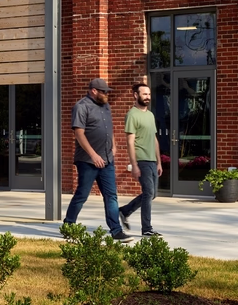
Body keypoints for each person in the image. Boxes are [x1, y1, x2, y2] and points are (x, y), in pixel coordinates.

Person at [62, 78, 132, 241]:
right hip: (87, 160)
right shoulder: (81, 106)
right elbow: (79, 133)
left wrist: (114, 146)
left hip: (107, 160)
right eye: (104, 92)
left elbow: (109, 128)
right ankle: (69, 224)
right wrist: (93, 155)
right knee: (82, 195)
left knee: (111, 195)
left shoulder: (106, 106)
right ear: (94, 91)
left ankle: (116, 231)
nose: (107, 94)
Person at [119, 82, 163, 237]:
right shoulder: (132, 115)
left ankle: (125, 211)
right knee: (148, 192)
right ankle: (147, 229)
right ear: (135, 95)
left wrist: (159, 162)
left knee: (152, 194)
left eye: (149, 94)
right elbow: (130, 141)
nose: (147, 97)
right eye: (144, 94)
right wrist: (134, 164)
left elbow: (154, 139)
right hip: (141, 159)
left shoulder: (150, 115)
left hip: (152, 160)